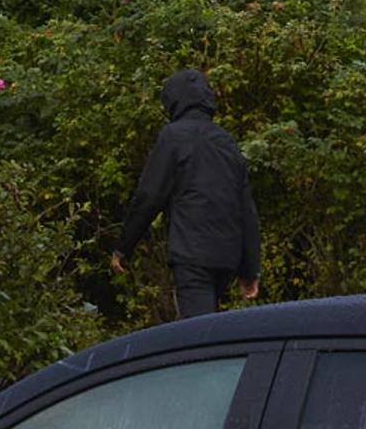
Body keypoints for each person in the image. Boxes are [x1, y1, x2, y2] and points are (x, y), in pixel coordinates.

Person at [111, 66, 259, 318]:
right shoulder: (226, 141)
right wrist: (249, 269)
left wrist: (123, 247)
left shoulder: (173, 136)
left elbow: (149, 197)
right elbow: (247, 209)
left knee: (199, 336)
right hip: (227, 256)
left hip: (193, 254)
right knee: (207, 326)